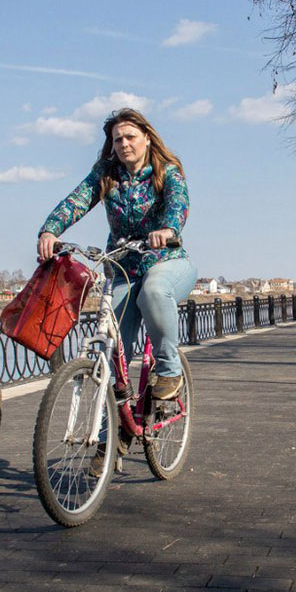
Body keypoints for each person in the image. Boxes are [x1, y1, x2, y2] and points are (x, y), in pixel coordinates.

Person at [37, 108, 195, 403]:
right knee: (112, 347)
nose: (124, 144)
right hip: (123, 267)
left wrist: (168, 230)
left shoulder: (167, 171)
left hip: (167, 261)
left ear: (147, 138)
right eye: (118, 139)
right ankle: (110, 435)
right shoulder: (107, 174)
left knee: (154, 291)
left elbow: (178, 204)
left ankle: (169, 370)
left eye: (130, 137)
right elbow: (77, 200)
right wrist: (49, 231)